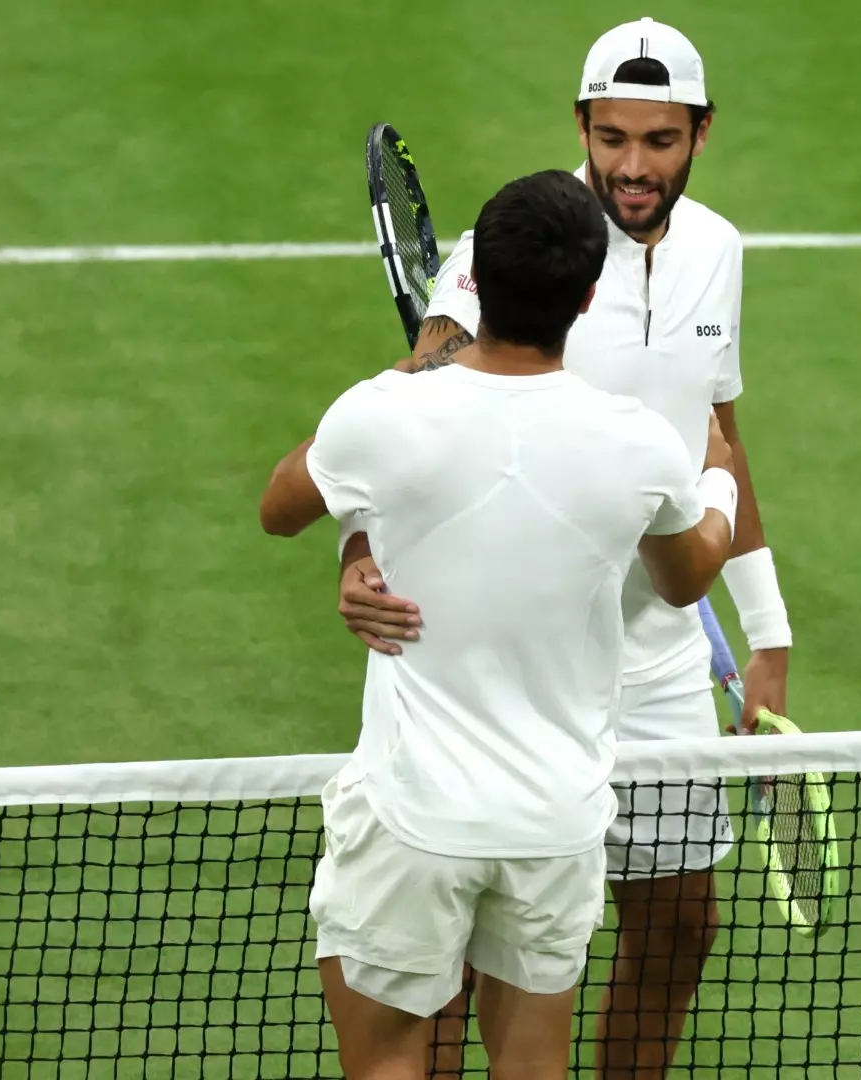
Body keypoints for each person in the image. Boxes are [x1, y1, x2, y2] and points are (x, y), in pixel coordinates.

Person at [334, 18, 797, 1079]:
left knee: (681, 924)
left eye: (661, 140)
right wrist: (357, 553)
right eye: (615, 136)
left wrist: (766, 633)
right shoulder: (509, 254)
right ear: (583, 125)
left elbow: (719, 436)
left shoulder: (720, 253)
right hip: (510, 660)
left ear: (701, 135)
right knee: (458, 964)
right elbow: (407, 407)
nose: (634, 166)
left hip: (661, 653)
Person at [258, 169, 740, 1080]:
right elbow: (686, 579)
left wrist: (405, 375)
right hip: (554, 823)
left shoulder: (381, 416)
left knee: (390, 1059)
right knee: (530, 1063)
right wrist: (714, 477)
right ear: (589, 297)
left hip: (414, 818)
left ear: (472, 283)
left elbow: (282, 506)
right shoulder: (638, 444)